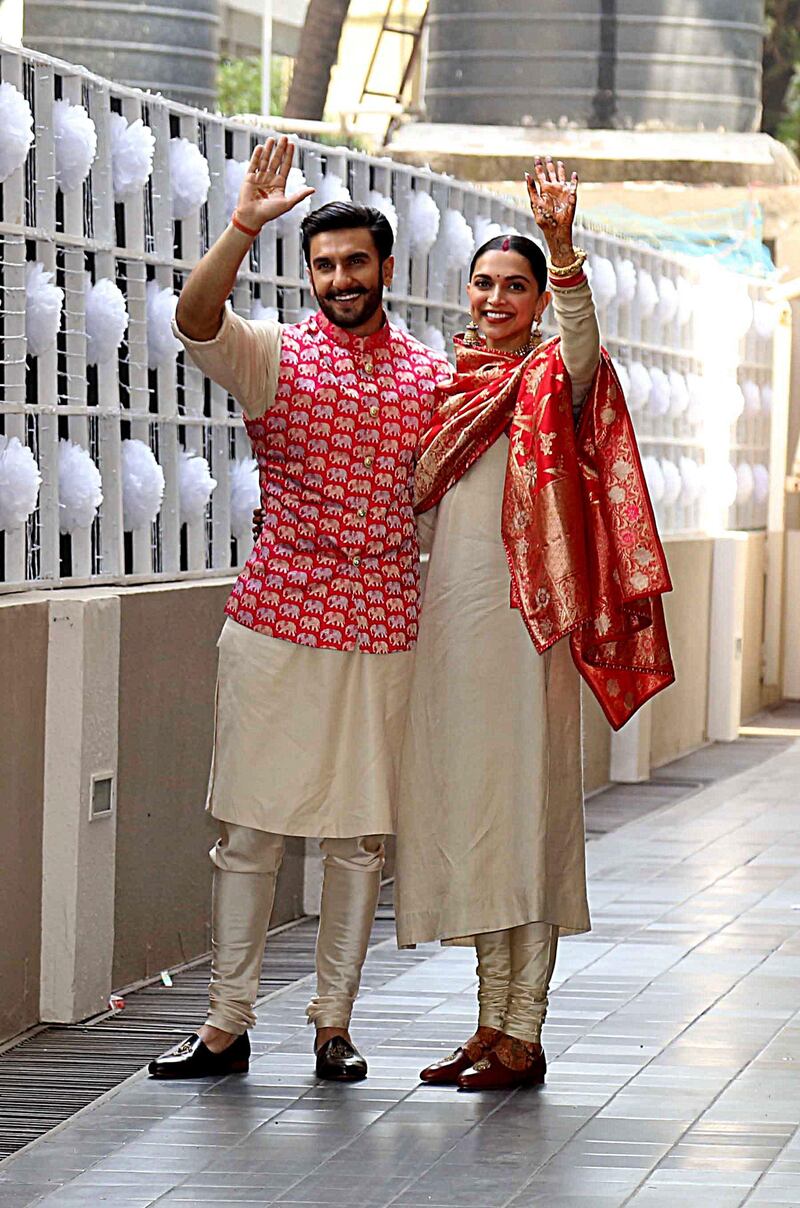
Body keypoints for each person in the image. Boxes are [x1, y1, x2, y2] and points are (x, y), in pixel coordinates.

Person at [148, 137, 450, 1083]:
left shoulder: (428, 377)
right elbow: (193, 319)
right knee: (249, 832)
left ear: (386, 269)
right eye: (324, 264)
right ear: (308, 272)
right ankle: (226, 1025)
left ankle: (332, 1025)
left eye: (356, 262)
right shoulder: (274, 353)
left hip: (382, 624)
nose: (340, 278)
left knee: (358, 839)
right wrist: (242, 226)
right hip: (279, 616)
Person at [394, 157, 675, 1091]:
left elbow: (585, 347)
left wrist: (560, 252)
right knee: (473, 817)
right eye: (485, 283)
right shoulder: (447, 388)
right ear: (466, 293)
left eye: (515, 286)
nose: (497, 298)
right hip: (452, 632)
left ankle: (527, 1026)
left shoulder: (559, 378)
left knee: (528, 820)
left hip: (533, 630)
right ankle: (488, 1019)